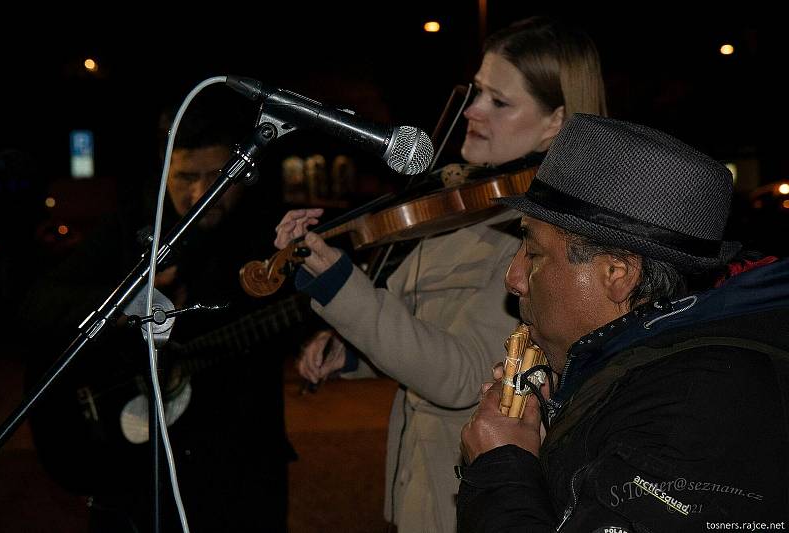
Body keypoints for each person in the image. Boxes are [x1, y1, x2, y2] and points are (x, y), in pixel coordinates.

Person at [274, 16, 607, 533]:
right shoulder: (466, 206)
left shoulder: (540, 237)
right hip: (423, 487)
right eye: (476, 92)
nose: (472, 110)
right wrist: (356, 355)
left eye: (500, 101)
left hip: (472, 498)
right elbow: (426, 326)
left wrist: (339, 285)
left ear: (556, 122)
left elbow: (462, 376)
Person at [457, 113, 789, 531]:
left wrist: (499, 467)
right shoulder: (646, 372)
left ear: (617, 274)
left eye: (534, 253)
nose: (514, 279)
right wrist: (551, 429)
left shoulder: (693, 409)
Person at [20, 87, 299, 532]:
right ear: (166, 167)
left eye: (218, 177)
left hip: (241, 473)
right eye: (186, 177)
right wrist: (128, 302)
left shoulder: (270, 229)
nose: (201, 193)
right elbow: (39, 305)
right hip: (136, 474)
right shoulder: (135, 223)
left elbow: (300, 319)